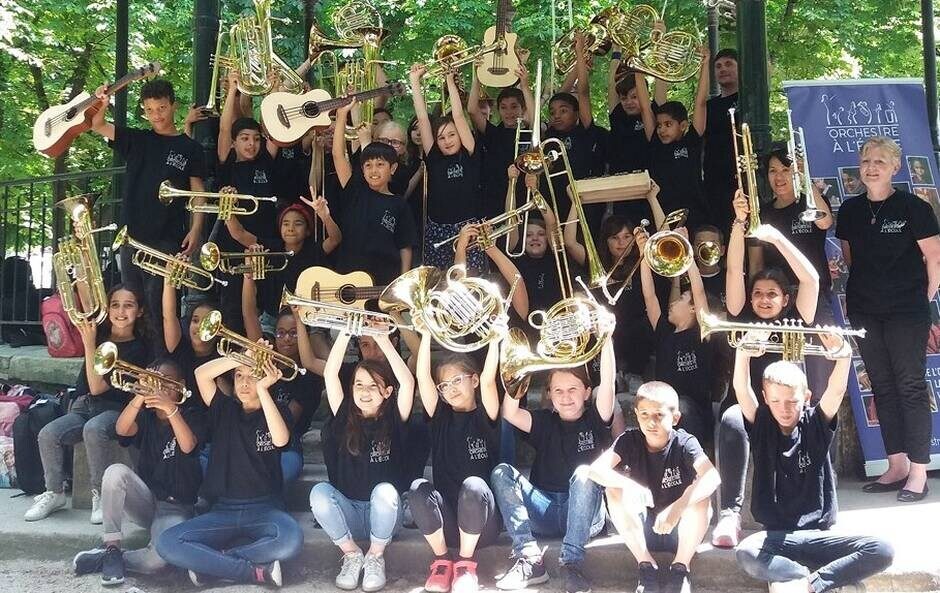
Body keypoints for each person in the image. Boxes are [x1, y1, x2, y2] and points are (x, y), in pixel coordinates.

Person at [732, 344, 895, 592]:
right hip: (777, 539)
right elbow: (741, 389)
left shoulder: (816, 423)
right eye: (775, 400)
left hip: (820, 535)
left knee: (882, 549)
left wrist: (844, 355)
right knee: (746, 552)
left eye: (792, 401)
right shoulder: (762, 425)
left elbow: (837, 389)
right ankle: (812, 577)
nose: (784, 409)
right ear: (765, 398)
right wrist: (743, 352)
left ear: (806, 396)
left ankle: (811, 583)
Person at [712, 189, 822, 549]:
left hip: (787, 407)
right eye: (758, 293)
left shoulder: (797, 317)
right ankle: (729, 513)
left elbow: (812, 280)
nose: (762, 299)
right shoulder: (742, 313)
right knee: (729, 420)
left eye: (771, 294)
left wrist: (778, 238)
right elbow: (732, 267)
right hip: (747, 405)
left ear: (785, 299)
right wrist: (740, 223)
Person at [835, 136, 940, 502]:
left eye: (880, 160)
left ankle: (918, 473)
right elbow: (851, 259)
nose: (872, 166)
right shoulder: (849, 211)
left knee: (910, 386)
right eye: (866, 160)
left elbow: (934, 259)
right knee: (881, 385)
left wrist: (919, 301)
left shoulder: (915, 208)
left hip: (907, 311)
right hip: (866, 310)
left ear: (895, 167)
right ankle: (895, 465)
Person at [155, 356, 303, 586]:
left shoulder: (278, 412)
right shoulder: (224, 408)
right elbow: (201, 374)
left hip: (264, 509)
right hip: (223, 509)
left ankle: (212, 565)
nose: (244, 383)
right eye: (239, 376)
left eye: (252, 377)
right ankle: (253, 572)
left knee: (291, 539)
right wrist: (242, 355)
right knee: (167, 542)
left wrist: (263, 388)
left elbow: (281, 440)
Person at [490, 337, 616, 593]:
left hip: (584, 515)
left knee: (584, 473)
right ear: (549, 394)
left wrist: (605, 340)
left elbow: (609, 383)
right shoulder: (545, 421)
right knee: (502, 472)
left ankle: (571, 563)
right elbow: (510, 413)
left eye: (573, 389)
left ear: (587, 392)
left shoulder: (596, 417)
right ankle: (529, 558)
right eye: (558, 390)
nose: (565, 397)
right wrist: (519, 373)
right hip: (544, 510)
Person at [26, 284, 154, 523]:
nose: (120, 311)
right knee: (47, 434)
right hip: (83, 407)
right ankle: (54, 492)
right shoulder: (100, 334)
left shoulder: (138, 348)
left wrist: (89, 344)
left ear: (140, 311)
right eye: (115, 305)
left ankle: (101, 495)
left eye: (128, 305)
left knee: (93, 430)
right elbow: (87, 300)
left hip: (115, 410)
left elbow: (98, 387)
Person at [72, 359, 205, 586]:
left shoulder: (193, 415)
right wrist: (140, 394)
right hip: (147, 500)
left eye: (167, 383)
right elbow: (121, 429)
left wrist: (170, 409)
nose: (161, 389)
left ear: (181, 385)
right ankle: (112, 548)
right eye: (157, 383)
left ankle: (111, 560)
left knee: (157, 561)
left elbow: (187, 445)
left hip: (176, 507)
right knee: (115, 472)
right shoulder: (146, 418)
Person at [89, 80, 207, 333]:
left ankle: (163, 364)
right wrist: (102, 102)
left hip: (167, 237)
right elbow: (97, 124)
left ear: (173, 106)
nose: (157, 115)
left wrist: (196, 230)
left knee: (161, 305)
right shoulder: (136, 139)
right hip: (131, 237)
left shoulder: (190, 148)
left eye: (162, 108)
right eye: (150, 109)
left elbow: (198, 193)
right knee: (132, 303)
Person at [585, 381, 720, 593]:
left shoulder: (685, 442)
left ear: (675, 418)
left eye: (659, 415)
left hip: (681, 529)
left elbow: (712, 477)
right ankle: (646, 566)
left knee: (701, 496)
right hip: (644, 529)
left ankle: (680, 569)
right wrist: (629, 485)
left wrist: (677, 508)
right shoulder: (628, 441)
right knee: (614, 490)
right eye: (645, 415)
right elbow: (595, 470)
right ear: (636, 414)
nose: (651, 422)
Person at [312, 331, 415, 592]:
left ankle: (375, 557)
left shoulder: (394, 416)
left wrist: (381, 338)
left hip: (387, 514)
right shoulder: (344, 415)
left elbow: (407, 380)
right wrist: (346, 333)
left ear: (388, 391)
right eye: (359, 384)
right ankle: (352, 554)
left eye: (373, 386)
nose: (365, 392)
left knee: (384, 490)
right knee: (319, 493)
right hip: (352, 512)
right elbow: (330, 373)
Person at [409, 333, 502, 593]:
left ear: (473, 380)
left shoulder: (487, 416)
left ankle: (465, 563)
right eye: (444, 385)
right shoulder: (439, 418)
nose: (450, 389)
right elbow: (423, 378)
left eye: (457, 380)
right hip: (447, 524)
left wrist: (494, 340)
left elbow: (489, 380)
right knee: (417, 488)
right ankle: (441, 561)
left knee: (473, 485)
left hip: (484, 525)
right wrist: (426, 334)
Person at [214, 70, 282, 333]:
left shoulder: (266, 160)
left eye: (255, 139)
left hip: (265, 245)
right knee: (233, 308)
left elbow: (275, 129)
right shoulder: (226, 164)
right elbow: (223, 128)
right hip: (233, 246)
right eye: (244, 139)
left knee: (264, 307)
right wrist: (232, 89)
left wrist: (274, 90)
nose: (251, 144)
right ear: (233, 143)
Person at [637, 226, 714, 443]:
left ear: (692, 309)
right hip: (664, 415)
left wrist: (686, 248)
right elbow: (649, 295)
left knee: (685, 406)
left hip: (694, 416)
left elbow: (698, 291)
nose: (673, 302)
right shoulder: (664, 333)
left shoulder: (702, 332)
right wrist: (644, 255)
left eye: (681, 299)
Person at [332, 98, 417, 285]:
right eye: (368, 165)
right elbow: (338, 155)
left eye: (380, 165)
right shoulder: (354, 191)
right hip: (348, 279)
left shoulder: (399, 204)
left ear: (392, 168)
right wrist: (341, 115)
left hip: (384, 281)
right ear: (362, 169)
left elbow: (405, 247)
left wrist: (402, 282)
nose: (374, 170)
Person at [410, 65, 485, 270]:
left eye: (452, 135)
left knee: (471, 280)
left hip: (467, 227)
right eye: (441, 137)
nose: (447, 140)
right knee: (439, 283)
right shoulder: (434, 157)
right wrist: (415, 81)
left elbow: (459, 117)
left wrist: (450, 81)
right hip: (437, 230)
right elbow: (423, 119)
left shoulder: (469, 153)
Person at [636, 47, 712, 230]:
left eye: (668, 124)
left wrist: (705, 63)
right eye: (660, 125)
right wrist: (637, 67)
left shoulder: (692, 141)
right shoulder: (655, 142)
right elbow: (645, 107)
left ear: (683, 126)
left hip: (694, 213)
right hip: (661, 215)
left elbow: (700, 102)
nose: (661, 129)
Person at [468, 63, 535, 220]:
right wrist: (478, 77)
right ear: (498, 110)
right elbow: (472, 109)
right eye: (504, 107)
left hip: (521, 197)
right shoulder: (493, 132)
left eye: (514, 107)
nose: (509, 112)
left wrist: (525, 86)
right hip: (493, 200)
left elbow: (534, 117)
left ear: (522, 108)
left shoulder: (528, 133)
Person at [702, 48, 739, 229]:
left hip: (741, 181)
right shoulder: (709, 106)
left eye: (728, 64)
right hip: (714, 184)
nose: (722, 69)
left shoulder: (750, 100)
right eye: (718, 66)